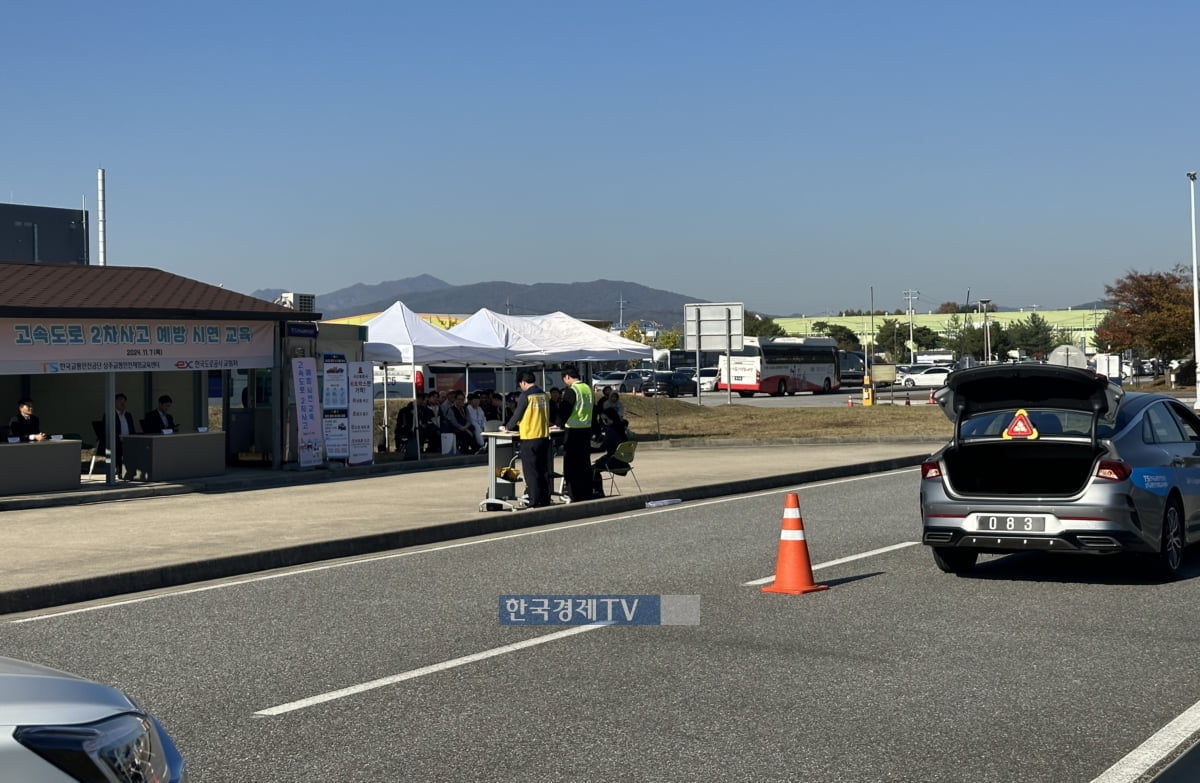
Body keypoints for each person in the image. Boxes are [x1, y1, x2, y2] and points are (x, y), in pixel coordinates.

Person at [501, 371, 552, 508]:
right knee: (543, 470)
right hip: (544, 436)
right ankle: (545, 499)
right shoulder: (544, 395)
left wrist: (507, 427)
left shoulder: (526, 395)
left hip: (530, 436)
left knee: (531, 472)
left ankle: (534, 501)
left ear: (523, 382)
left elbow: (518, 414)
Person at [558, 365, 596, 501]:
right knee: (584, 464)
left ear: (567, 377)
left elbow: (565, 410)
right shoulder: (587, 389)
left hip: (573, 431)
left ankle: (574, 494)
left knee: (571, 465)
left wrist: (558, 424)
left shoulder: (572, 390)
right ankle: (587, 492)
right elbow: (593, 409)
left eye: (564, 379)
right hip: (586, 429)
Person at [591, 407, 631, 497]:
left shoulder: (611, 431)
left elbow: (602, 447)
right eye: (602, 420)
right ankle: (597, 492)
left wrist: (590, 444)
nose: (604, 422)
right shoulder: (621, 429)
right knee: (596, 465)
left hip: (613, 462)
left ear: (611, 417)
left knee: (592, 469)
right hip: (624, 462)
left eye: (606, 419)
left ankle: (597, 492)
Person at [100, 393, 138, 476]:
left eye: (124, 402)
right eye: (120, 402)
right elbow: (106, 430)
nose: (122, 404)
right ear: (115, 402)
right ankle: (120, 471)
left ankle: (133, 471)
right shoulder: (110, 414)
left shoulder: (128, 415)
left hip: (128, 441)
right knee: (118, 449)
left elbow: (132, 429)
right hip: (116, 441)